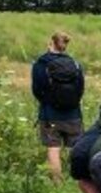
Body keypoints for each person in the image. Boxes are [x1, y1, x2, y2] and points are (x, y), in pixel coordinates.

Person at [31, 32, 85, 183]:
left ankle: (57, 183)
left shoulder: (41, 64)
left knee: (53, 148)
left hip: (49, 114)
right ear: (65, 45)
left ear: (51, 43)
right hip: (73, 113)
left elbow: (36, 89)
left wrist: (46, 101)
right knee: (76, 148)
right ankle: (79, 180)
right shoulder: (75, 64)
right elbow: (80, 88)